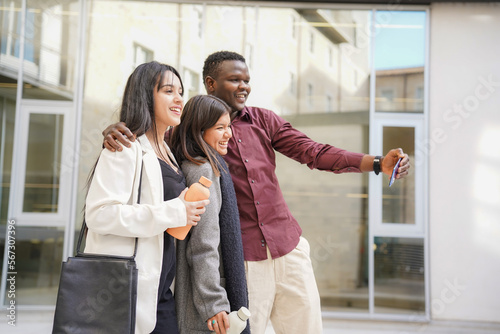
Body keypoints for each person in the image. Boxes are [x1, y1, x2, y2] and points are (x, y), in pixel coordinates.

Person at [102, 51, 411, 334]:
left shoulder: (265, 120)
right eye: (234, 79)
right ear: (211, 83)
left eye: (247, 80)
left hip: (288, 248)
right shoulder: (189, 128)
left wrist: (376, 163)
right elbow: (150, 139)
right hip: (245, 261)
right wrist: (118, 129)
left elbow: (313, 152)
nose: (243, 87)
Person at [85, 61, 209, 334]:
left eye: (180, 91)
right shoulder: (124, 147)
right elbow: (99, 214)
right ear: (144, 95)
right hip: (126, 290)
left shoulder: (168, 151)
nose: (179, 99)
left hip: (161, 290)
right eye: (168, 91)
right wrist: (176, 212)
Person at [169, 94, 249, 334]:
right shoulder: (202, 169)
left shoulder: (189, 163)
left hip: (200, 293)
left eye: (229, 127)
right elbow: (204, 242)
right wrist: (214, 302)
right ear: (198, 130)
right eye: (220, 128)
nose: (229, 134)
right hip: (203, 302)